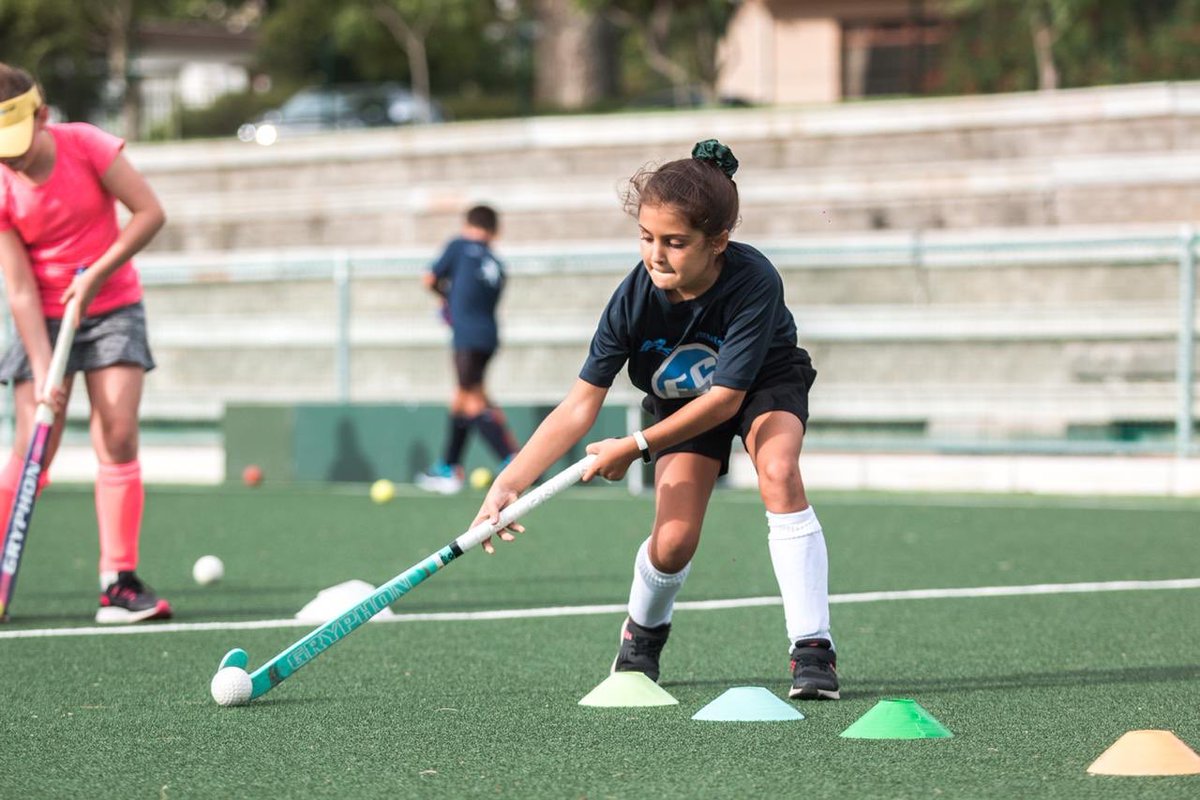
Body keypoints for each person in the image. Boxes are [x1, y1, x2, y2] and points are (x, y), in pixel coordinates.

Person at [473, 140, 838, 700]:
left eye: (675, 242)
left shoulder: (753, 280)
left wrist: (635, 446)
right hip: (679, 404)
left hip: (762, 385)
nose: (656, 255)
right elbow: (578, 407)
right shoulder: (632, 299)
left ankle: (812, 649)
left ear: (718, 242)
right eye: (646, 238)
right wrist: (508, 483)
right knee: (672, 543)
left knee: (780, 471)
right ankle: (642, 633)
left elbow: (725, 399)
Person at [0, 64, 171, 623]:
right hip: (43, 317)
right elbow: (20, 289)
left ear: (42, 116)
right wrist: (47, 369)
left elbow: (149, 213)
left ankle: (117, 582)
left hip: (112, 301)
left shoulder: (87, 146)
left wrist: (96, 273)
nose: (12, 159)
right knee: (34, 448)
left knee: (117, 431)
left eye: (17, 145)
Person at [417, 204, 519, 494]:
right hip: (489, 336)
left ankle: (513, 462)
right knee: (463, 397)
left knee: (472, 400)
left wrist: (445, 299)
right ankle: (449, 467)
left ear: (467, 224)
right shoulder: (497, 264)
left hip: (466, 336)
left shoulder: (459, 245)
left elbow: (428, 278)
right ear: (494, 230)